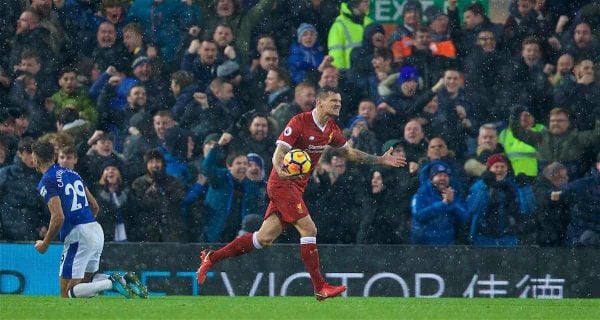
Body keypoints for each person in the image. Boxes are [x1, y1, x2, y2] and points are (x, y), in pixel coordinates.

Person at [196, 86, 406, 301]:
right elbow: (279, 154)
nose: (338, 105)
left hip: (296, 188)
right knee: (309, 229)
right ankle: (320, 287)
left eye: (340, 102)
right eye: (333, 101)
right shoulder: (299, 122)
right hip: (282, 184)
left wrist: (379, 159)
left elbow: (349, 153)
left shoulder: (332, 128)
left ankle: (211, 258)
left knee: (262, 239)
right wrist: (281, 170)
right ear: (320, 102)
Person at [31, 140, 147, 299]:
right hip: (95, 229)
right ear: (54, 156)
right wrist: (85, 224)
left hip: (78, 236)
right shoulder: (73, 174)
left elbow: (58, 216)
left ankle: (112, 282)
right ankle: (124, 281)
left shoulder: (47, 180)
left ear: (35, 159)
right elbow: (95, 206)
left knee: (67, 293)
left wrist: (45, 243)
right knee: (87, 282)